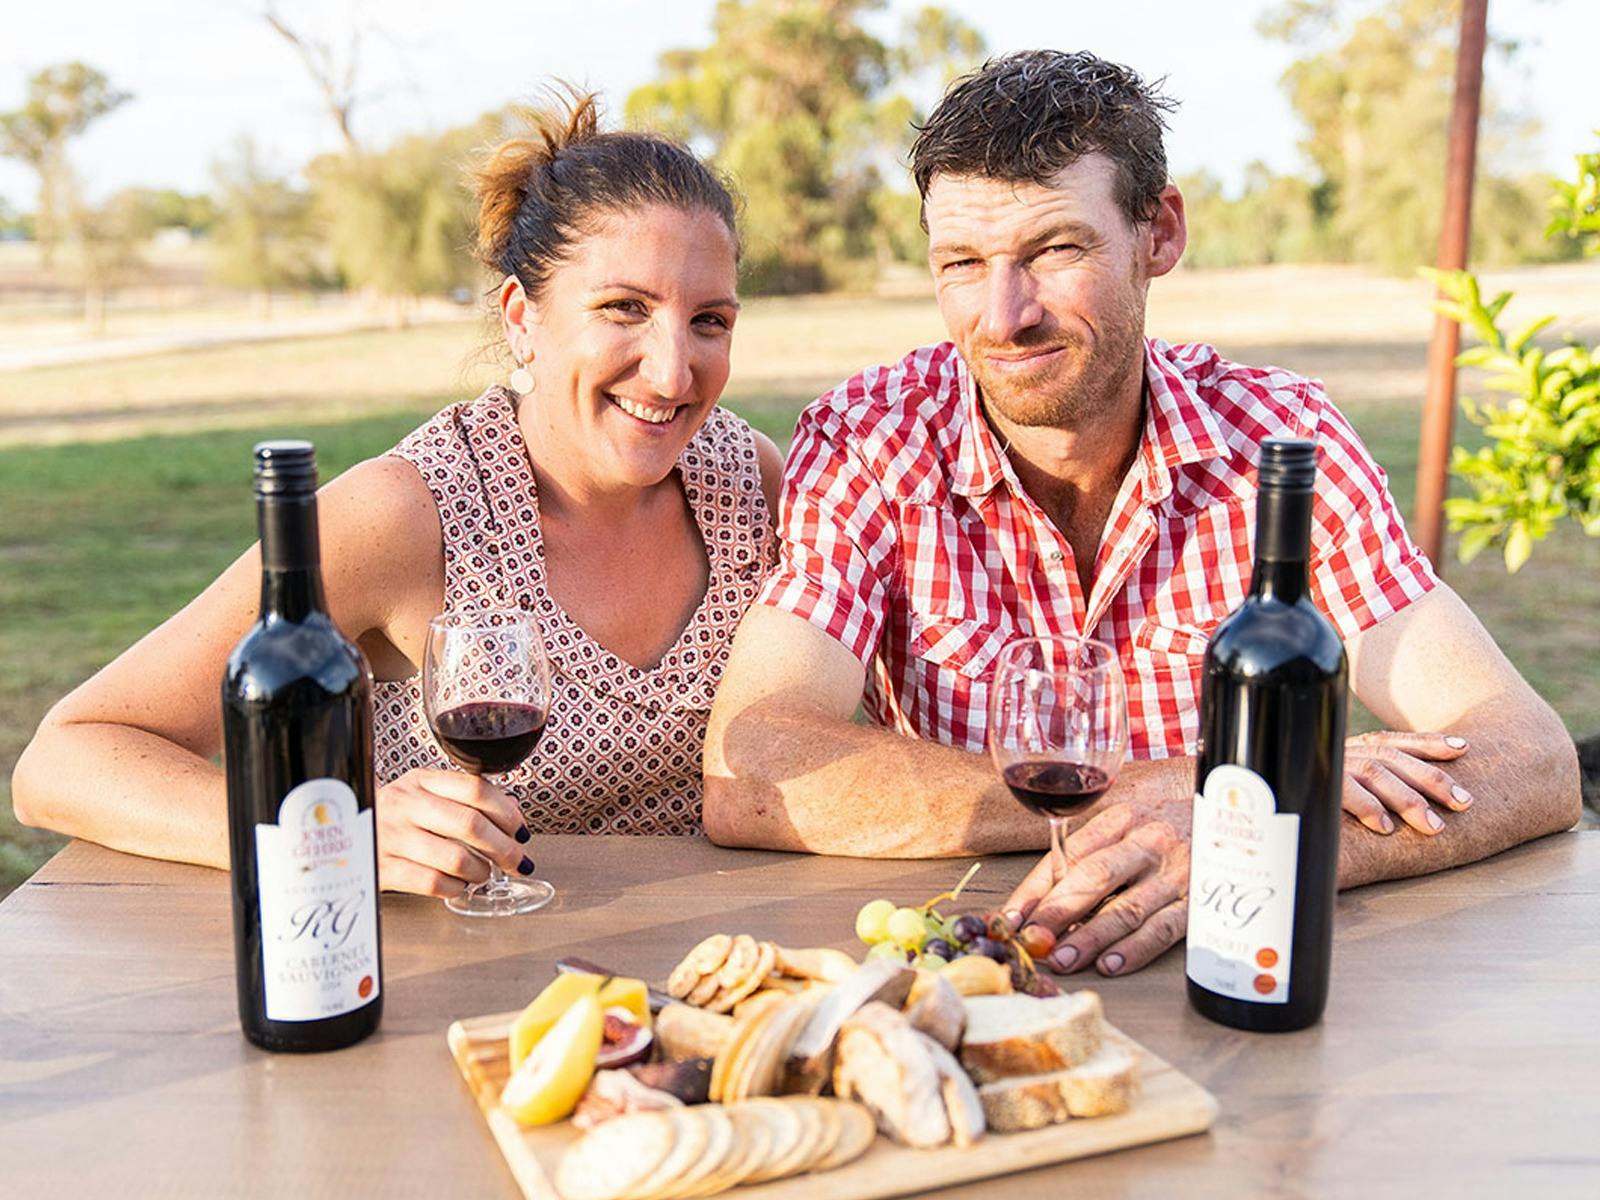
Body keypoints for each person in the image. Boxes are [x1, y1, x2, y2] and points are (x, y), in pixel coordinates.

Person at [702, 51, 1581, 977]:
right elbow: (753, 769)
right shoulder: (871, 440)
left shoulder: (1281, 442)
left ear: (1158, 234)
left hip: (1231, 961)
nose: (1004, 317)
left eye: (1055, 251)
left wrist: (1252, 844)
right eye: (962, 263)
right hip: (971, 963)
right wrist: (1190, 793)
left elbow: (1529, 756)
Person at [12, 91, 783, 900]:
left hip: (717, 959)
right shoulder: (407, 511)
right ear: (522, 319)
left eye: (710, 321)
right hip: (473, 963)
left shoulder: (748, 481)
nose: (672, 371)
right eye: (625, 308)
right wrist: (335, 834)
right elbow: (67, 756)